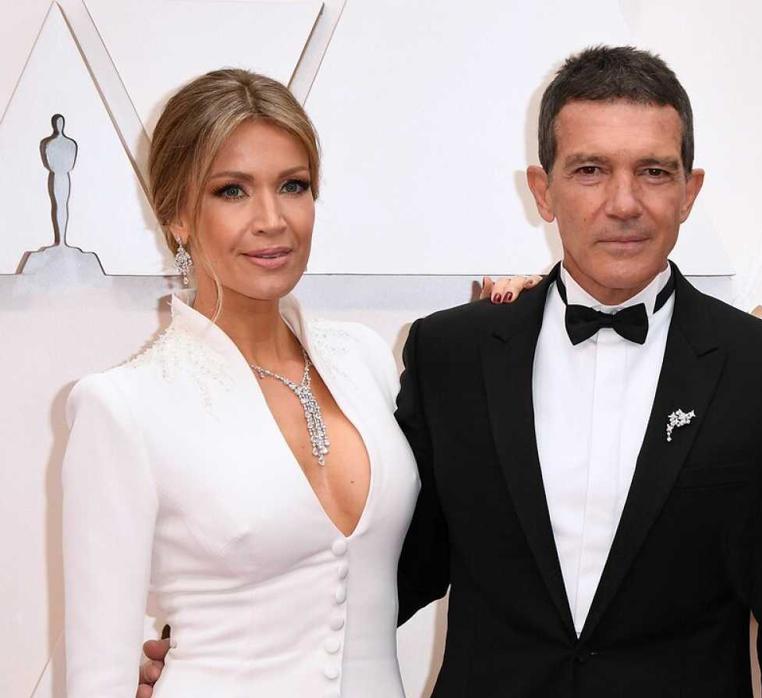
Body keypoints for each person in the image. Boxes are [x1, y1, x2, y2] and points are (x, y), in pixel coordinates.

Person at [61, 68, 534, 697]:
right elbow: (98, 679)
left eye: (293, 186)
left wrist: (522, 334)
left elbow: (460, 523)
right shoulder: (122, 408)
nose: (272, 219)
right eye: (232, 190)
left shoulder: (363, 361)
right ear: (176, 214)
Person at [393, 45, 762, 697]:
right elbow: (399, 574)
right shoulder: (449, 354)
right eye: (590, 170)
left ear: (690, 192)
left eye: (654, 172)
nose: (624, 203)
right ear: (542, 191)